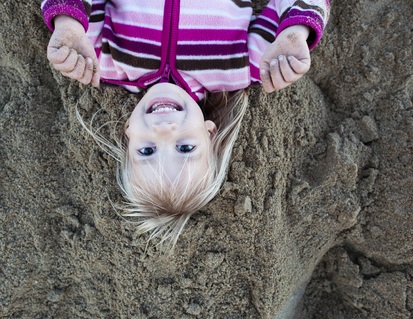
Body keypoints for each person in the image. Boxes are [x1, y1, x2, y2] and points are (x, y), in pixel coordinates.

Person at [41, 0, 329, 252]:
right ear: (210, 132)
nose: (164, 130)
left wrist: (68, 26)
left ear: (128, 135)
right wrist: (293, 36)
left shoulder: (102, 62)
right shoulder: (242, 67)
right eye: (185, 147)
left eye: (147, 150)